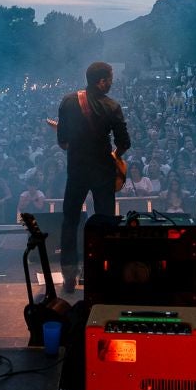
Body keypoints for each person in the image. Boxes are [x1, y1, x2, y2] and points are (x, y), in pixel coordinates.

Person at [55, 60, 129, 293]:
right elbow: (124, 142)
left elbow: (63, 142)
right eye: (110, 79)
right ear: (102, 81)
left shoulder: (68, 101)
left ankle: (69, 276)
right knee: (105, 221)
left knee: (70, 220)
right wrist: (114, 156)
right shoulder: (112, 106)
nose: (112, 83)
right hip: (103, 172)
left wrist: (79, 144)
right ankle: (102, 271)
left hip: (77, 170)